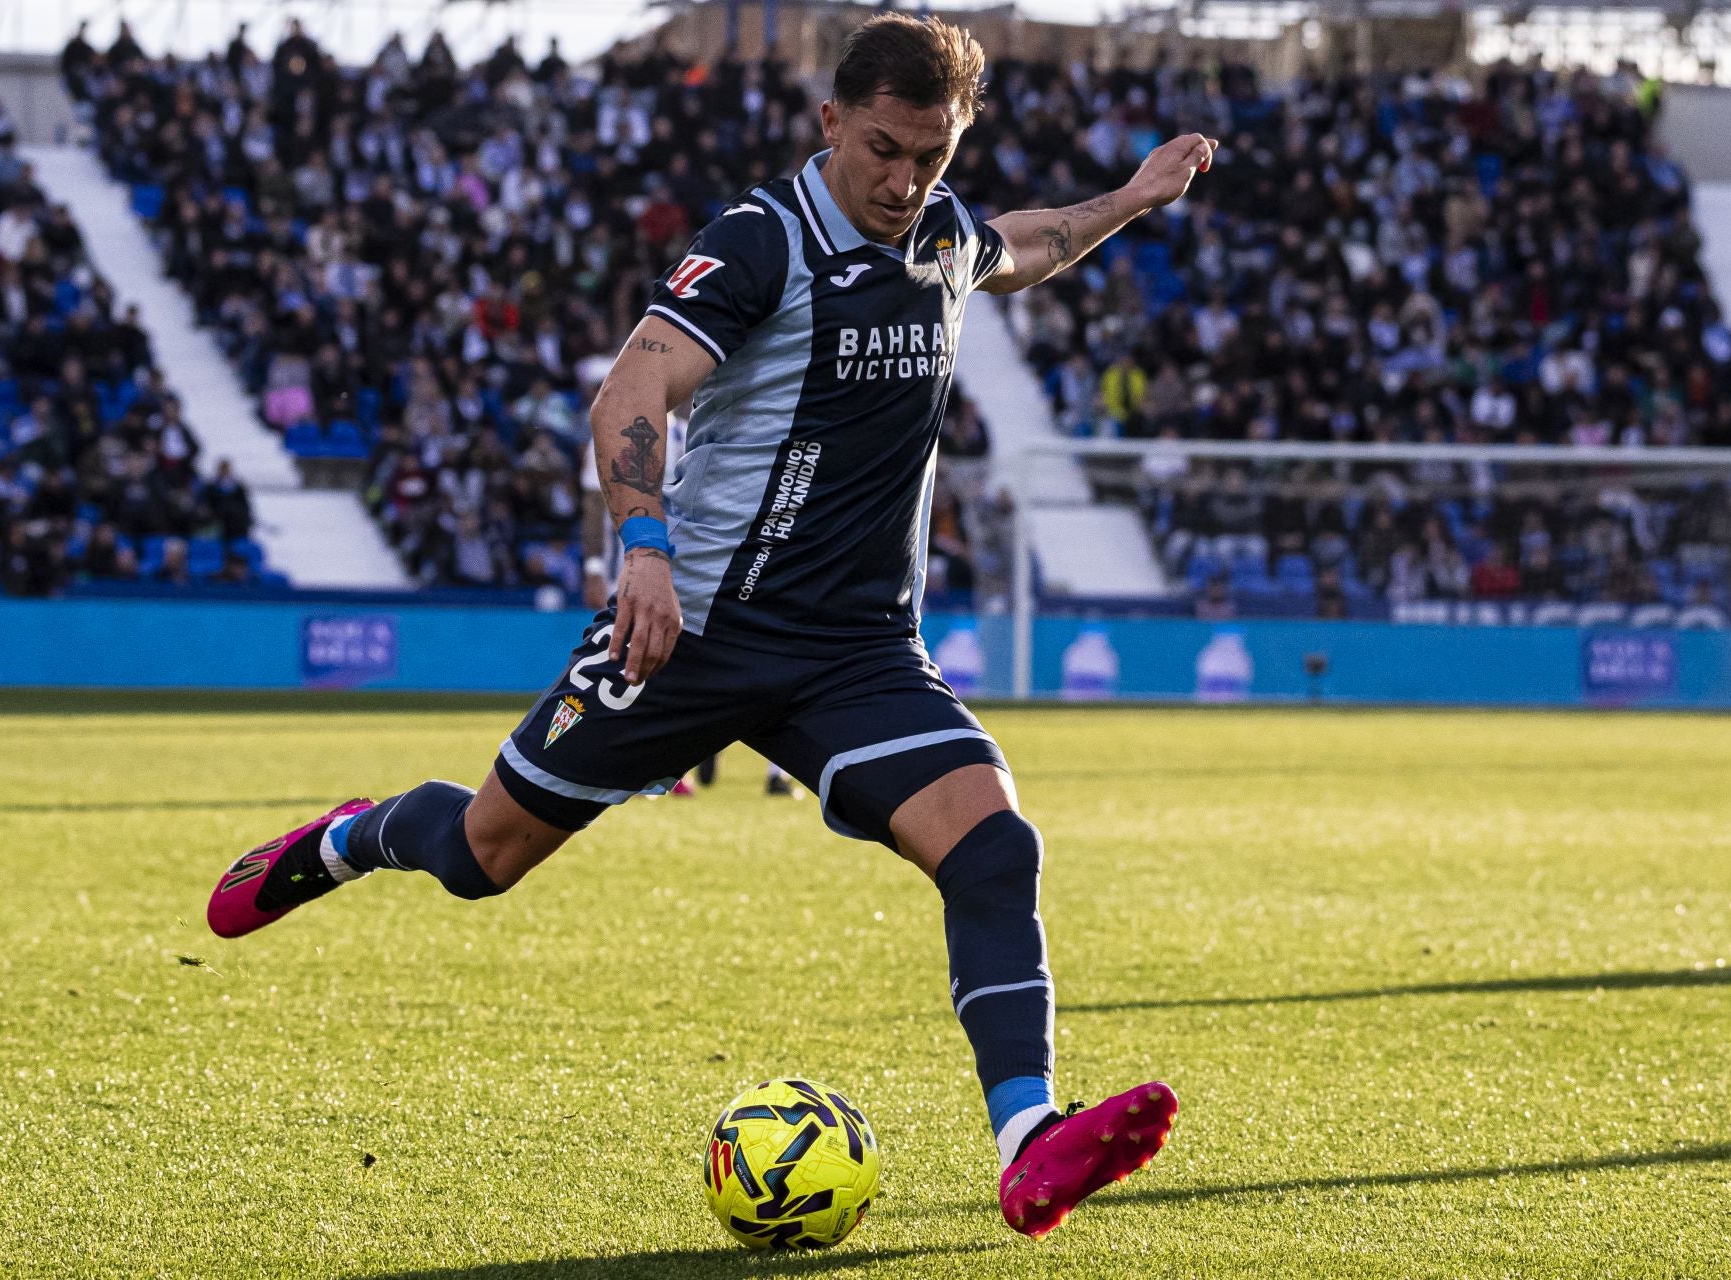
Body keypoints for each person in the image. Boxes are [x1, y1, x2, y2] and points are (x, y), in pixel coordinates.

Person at [207, 15, 1214, 1239]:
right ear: (831, 123)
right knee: (482, 855)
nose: (906, 182)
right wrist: (644, 548)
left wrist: (1133, 199)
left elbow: (1030, 243)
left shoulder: (942, 232)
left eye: (932, 156)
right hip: (693, 629)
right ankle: (354, 836)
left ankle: (1029, 1135)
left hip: (856, 651)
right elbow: (632, 390)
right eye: (885, 150)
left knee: (995, 846)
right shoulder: (763, 239)